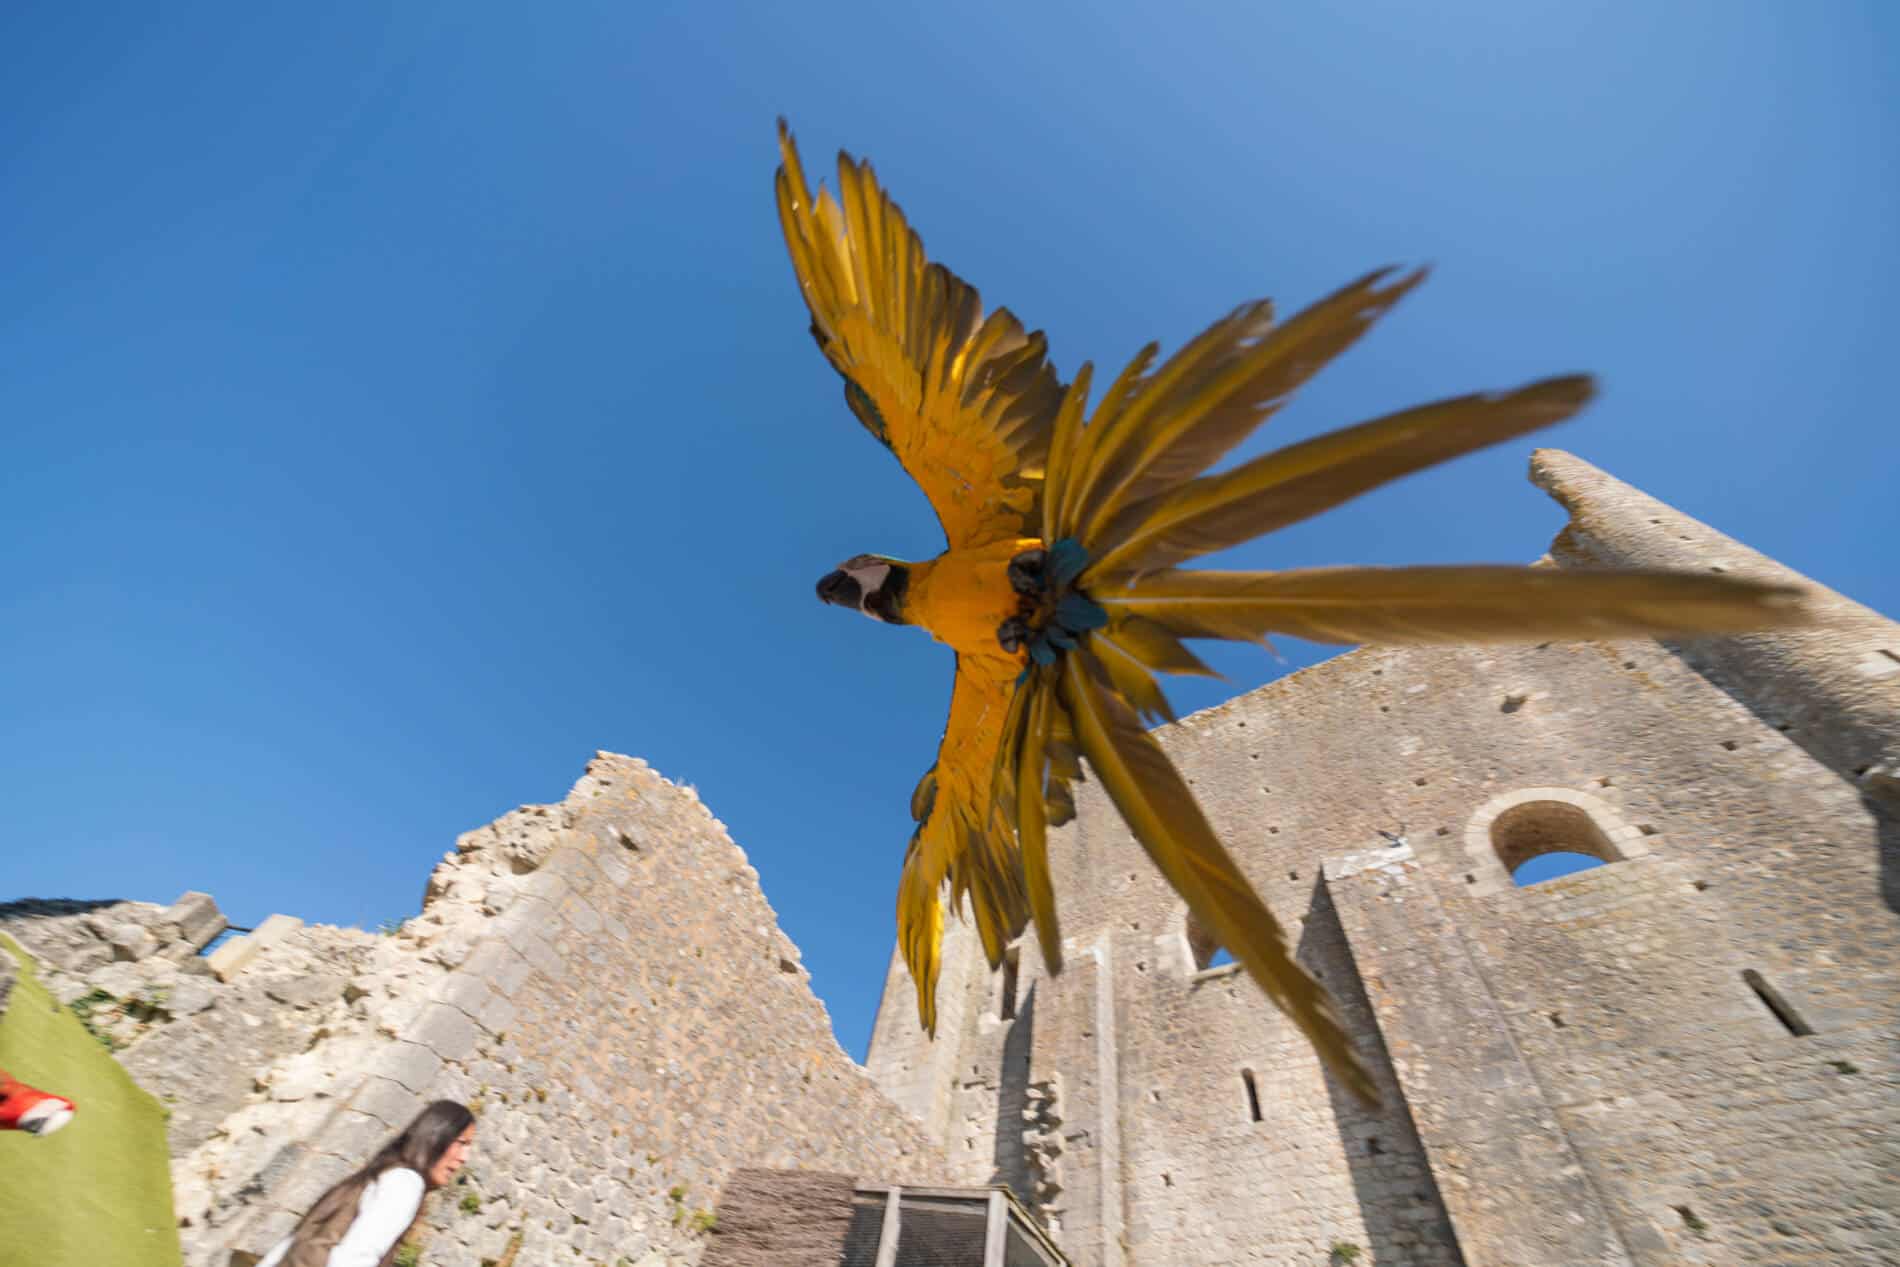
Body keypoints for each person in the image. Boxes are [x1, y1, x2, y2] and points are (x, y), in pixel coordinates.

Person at [256, 1100, 475, 1267]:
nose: (465, 1157)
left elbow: (287, 1247)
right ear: (435, 1137)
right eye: (462, 1143)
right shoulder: (405, 1184)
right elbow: (356, 1258)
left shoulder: (375, 1177)